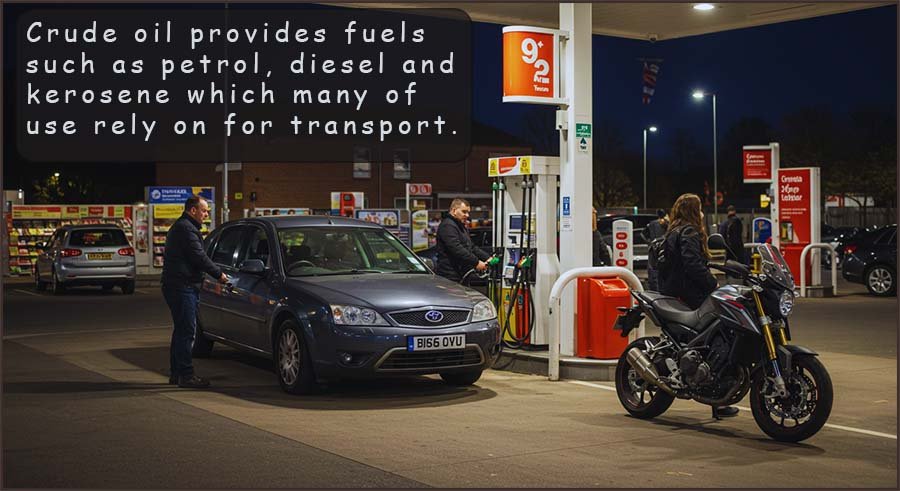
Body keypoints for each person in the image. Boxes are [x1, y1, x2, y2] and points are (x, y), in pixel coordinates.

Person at [659, 193, 737, 418]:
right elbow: (692, 264)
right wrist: (712, 282)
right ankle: (717, 397)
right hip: (690, 292)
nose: (702, 213)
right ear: (693, 210)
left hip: (673, 291)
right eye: (700, 208)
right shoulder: (690, 232)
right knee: (719, 334)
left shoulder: (673, 230)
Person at [162, 195, 228, 388]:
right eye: (204, 210)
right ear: (193, 210)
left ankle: (177, 374)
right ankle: (186, 375)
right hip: (183, 286)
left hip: (178, 284)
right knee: (187, 332)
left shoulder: (184, 227)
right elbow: (199, 256)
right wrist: (219, 274)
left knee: (181, 330)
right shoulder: (186, 229)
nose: (206, 214)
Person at [435, 199, 491, 282]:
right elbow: (457, 248)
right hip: (449, 275)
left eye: (468, 212)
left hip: (460, 274)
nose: (467, 215)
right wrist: (476, 262)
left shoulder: (459, 225)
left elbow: (471, 246)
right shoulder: (448, 225)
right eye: (464, 212)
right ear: (454, 211)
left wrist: (487, 257)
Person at [641, 209, 669, 290]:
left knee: (652, 267)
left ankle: (653, 286)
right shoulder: (667, 223)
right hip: (663, 246)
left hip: (653, 247)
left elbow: (643, 234)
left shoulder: (651, 224)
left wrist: (648, 242)